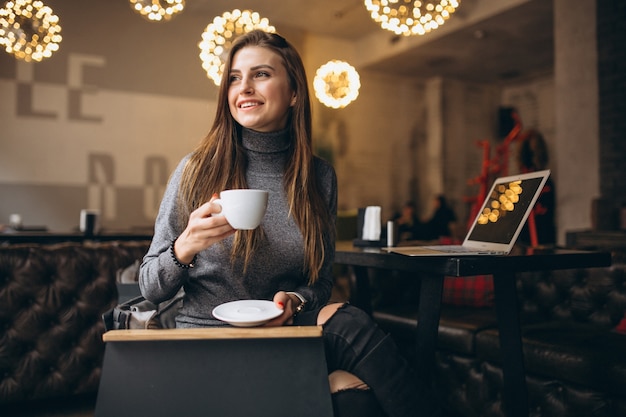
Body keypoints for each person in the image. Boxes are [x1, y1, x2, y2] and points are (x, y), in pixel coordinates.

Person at [139, 30, 440, 417]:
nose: (243, 87)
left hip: (284, 332)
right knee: (353, 393)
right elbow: (150, 287)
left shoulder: (319, 178)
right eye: (234, 77)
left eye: (260, 74)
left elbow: (320, 281)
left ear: (294, 92)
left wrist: (295, 302)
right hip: (209, 338)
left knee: (355, 379)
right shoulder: (196, 170)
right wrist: (185, 247)